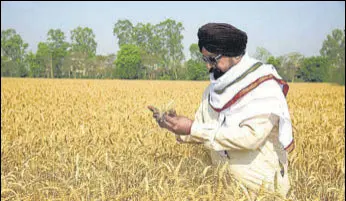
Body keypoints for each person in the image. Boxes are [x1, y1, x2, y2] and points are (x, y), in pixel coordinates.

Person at [149, 22, 294, 200]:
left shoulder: (264, 88)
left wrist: (191, 128)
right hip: (223, 189)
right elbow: (202, 130)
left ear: (234, 54)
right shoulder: (213, 91)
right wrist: (174, 126)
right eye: (205, 59)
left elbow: (250, 138)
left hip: (262, 192)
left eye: (213, 59)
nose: (208, 67)